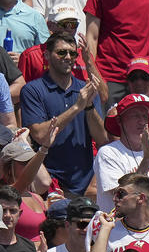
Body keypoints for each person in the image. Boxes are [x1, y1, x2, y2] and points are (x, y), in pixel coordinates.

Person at [19, 33, 107, 195]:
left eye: (72, 53)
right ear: (46, 55)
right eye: (61, 52)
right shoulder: (33, 90)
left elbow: (102, 139)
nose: (68, 57)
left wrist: (88, 107)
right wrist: (76, 107)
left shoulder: (85, 89)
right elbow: (39, 134)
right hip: (50, 185)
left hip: (85, 185)